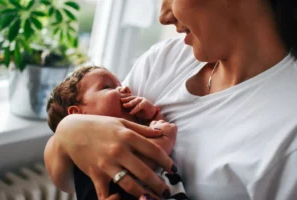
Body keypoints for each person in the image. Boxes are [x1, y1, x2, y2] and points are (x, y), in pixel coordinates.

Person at [44, 0, 297, 199]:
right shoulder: (166, 59)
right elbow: (64, 176)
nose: (163, 15)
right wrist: (69, 130)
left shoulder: (288, 133)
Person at [46, 66, 188, 200]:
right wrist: (165, 137)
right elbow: (147, 161)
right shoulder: (91, 155)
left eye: (119, 84)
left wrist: (153, 117)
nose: (125, 88)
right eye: (107, 86)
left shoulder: (127, 135)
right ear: (78, 114)